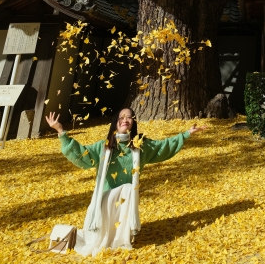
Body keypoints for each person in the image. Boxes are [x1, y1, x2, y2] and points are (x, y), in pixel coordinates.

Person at [45, 107, 205, 256]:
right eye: (121, 117)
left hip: (126, 201)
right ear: (115, 122)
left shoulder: (141, 146)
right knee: (128, 188)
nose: (125, 120)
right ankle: (110, 239)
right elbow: (82, 155)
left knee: (128, 189)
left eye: (129, 117)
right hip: (105, 202)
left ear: (133, 123)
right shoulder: (104, 147)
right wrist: (61, 131)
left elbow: (163, 147)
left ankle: (121, 240)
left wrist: (186, 134)